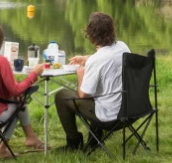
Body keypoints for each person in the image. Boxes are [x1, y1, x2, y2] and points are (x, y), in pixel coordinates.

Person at [54, 12, 130, 152]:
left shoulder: (97, 60)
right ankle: (94, 141)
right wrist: (87, 58)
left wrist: (80, 75)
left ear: (91, 34)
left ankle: (74, 143)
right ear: (111, 30)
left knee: (61, 96)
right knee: (100, 92)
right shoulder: (122, 47)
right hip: (130, 111)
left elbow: (83, 95)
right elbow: (108, 57)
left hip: (111, 116)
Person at [0, 22, 46, 160]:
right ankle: (5, 149)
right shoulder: (0, 61)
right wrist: (34, 73)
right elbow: (16, 90)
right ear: (0, 41)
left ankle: (31, 137)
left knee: (16, 100)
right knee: (19, 103)